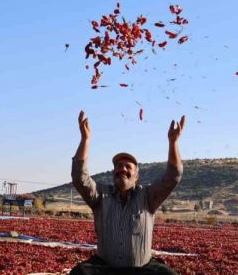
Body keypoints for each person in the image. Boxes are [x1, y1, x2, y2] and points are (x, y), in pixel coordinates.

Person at [70, 110, 184, 275]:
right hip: (105, 268)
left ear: (136, 175)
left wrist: (173, 142)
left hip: (141, 269)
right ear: (113, 173)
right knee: (79, 273)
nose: (122, 169)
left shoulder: (148, 196)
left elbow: (173, 176)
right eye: (118, 166)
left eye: (127, 167)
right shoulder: (100, 195)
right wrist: (85, 139)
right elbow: (79, 178)